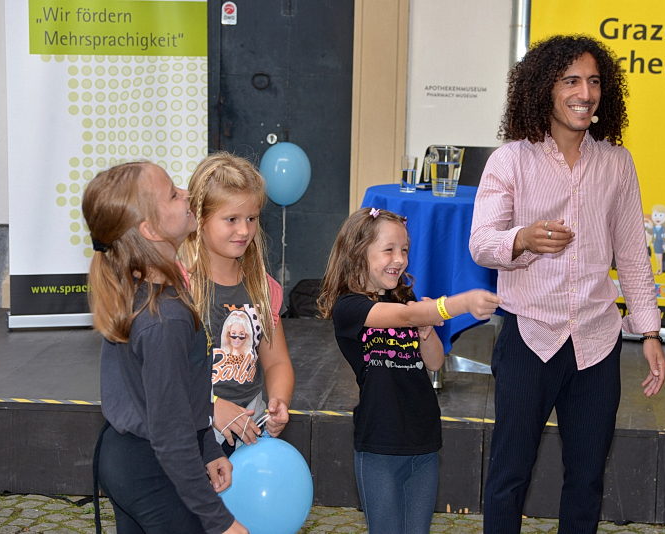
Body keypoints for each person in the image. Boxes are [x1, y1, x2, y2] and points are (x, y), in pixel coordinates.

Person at [468, 35, 665, 534]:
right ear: (544, 88)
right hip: (529, 337)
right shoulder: (511, 160)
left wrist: (649, 332)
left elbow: (633, 256)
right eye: (571, 81)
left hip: (597, 342)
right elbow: (481, 244)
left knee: (587, 478)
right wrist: (523, 238)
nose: (586, 93)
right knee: (509, 475)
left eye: (594, 82)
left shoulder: (617, 163)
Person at [84, 162, 246, 534]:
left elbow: (176, 395)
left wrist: (207, 447)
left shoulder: (143, 287)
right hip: (152, 470)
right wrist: (220, 522)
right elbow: (170, 436)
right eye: (173, 194)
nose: (187, 195)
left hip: (125, 458)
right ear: (150, 229)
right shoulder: (164, 318)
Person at [317, 207, 500, 534]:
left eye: (404, 250)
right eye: (388, 250)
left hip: (423, 438)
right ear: (358, 253)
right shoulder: (349, 308)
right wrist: (459, 303)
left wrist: (426, 330)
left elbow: (435, 362)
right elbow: (403, 317)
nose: (400, 259)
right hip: (380, 443)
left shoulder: (405, 298)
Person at [183, 152, 294, 454]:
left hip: (249, 426)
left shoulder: (264, 288)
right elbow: (165, 373)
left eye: (251, 218)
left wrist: (279, 401)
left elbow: (277, 361)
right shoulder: (179, 287)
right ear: (199, 218)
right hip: (192, 425)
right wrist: (212, 406)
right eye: (231, 219)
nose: (244, 230)